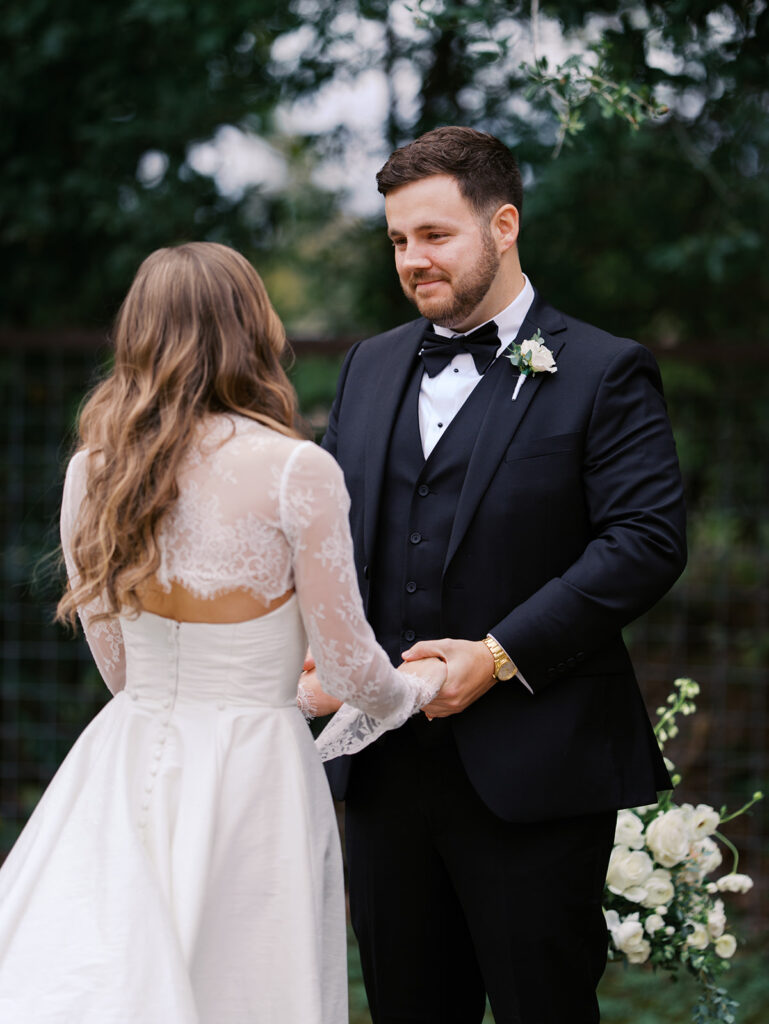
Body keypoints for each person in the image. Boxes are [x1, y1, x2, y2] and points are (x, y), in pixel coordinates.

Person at [0, 242, 445, 1023]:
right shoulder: (293, 471)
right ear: (252, 329)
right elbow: (349, 672)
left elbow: (120, 670)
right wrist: (417, 688)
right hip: (253, 773)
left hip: (124, 758)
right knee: (247, 987)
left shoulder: (92, 471)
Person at [305, 126, 687, 1024]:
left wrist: (498, 652)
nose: (412, 259)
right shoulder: (368, 365)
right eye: (397, 239)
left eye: (434, 235)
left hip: (536, 768)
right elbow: (324, 537)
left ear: (503, 224)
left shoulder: (603, 370)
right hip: (383, 767)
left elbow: (643, 541)